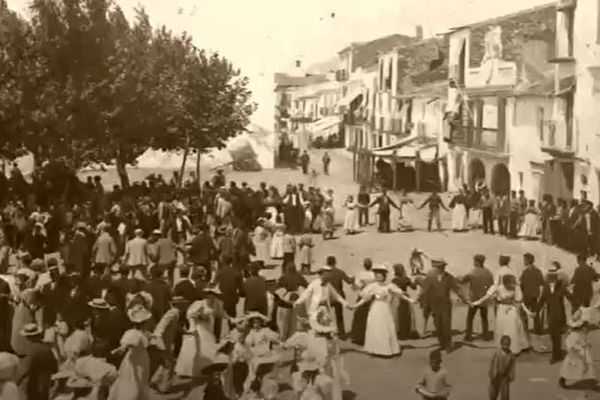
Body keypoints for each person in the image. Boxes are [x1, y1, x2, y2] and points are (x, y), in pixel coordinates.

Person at [352, 264, 415, 356]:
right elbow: (365, 298)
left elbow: (399, 294)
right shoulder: (371, 286)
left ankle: (386, 350)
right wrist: (355, 305)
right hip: (375, 309)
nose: (379, 276)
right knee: (375, 328)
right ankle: (375, 349)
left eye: (381, 274)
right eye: (377, 274)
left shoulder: (389, 286)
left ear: (384, 275)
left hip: (384, 309)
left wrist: (410, 300)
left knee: (385, 328)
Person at [471, 274, 531, 355]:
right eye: (508, 283)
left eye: (512, 283)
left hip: (512, 309)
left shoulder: (516, 288)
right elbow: (487, 297)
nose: (510, 285)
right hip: (502, 310)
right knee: (502, 328)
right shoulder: (498, 288)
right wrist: (476, 303)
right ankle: (503, 348)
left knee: (513, 327)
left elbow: (519, 301)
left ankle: (514, 349)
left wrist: (528, 312)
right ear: (504, 282)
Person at [420, 258, 468, 351]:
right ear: (436, 267)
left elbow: (457, 289)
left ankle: (448, 345)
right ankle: (442, 343)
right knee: (438, 325)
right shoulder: (430, 276)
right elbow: (425, 290)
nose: (441, 268)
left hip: (445, 304)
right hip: (434, 304)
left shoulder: (449, 277)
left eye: (443, 266)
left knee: (446, 324)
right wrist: (420, 300)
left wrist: (465, 299)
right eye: (439, 267)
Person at [175, 289, 222, 378]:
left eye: (213, 296)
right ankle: (189, 370)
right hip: (199, 327)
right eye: (208, 296)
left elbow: (220, 314)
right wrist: (199, 317)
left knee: (209, 346)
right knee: (195, 346)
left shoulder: (216, 304)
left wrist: (231, 319)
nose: (210, 298)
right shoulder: (199, 303)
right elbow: (189, 314)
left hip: (208, 328)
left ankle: (207, 368)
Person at [537, 263, 569, 364]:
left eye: (553, 275)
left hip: (559, 314)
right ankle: (558, 354)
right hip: (550, 314)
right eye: (550, 275)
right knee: (554, 335)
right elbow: (542, 300)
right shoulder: (546, 287)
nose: (551, 277)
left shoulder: (561, 286)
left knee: (556, 335)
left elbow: (568, 295)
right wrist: (535, 311)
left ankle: (555, 356)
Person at [17, 323, 57, 400]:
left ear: (29, 337)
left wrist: (17, 381)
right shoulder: (47, 349)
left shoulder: (30, 350)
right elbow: (54, 367)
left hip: (33, 386)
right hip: (45, 386)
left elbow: (25, 369)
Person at [559, 307, 596, 388]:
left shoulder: (582, 333)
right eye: (584, 327)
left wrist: (586, 344)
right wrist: (577, 348)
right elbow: (569, 344)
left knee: (588, 364)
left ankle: (591, 381)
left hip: (582, 351)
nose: (586, 329)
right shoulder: (574, 334)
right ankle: (563, 379)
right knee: (571, 367)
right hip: (575, 354)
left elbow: (584, 339)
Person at [461, 254, 494, 342]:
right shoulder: (488, 272)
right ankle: (486, 336)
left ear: (477, 261)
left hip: (474, 299)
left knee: (470, 318)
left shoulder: (472, 272)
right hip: (484, 299)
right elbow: (491, 285)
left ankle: (468, 336)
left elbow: (463, 281)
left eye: (474, 260)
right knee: (484, 318)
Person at [324, 256, 354, 338]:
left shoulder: (324, 273)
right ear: (335, 262)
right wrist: (353, 278)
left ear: (327, 262)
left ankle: (327, 333)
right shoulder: (340, 272)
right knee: (339, 316)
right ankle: (341, 334)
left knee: (326, 315)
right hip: (338, 297)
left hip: (328, 297)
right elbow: (349, 281)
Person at [520, 253, 544, 335]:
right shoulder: (538, 271)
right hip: (535, 295)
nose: (524, 261)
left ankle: (525, 329)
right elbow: (541, 284)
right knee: (536, 314)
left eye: (524, 260)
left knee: (523, 313)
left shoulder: (525, 272)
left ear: (528, 260)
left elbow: (521, 285)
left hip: (526, 295)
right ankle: (538, 330)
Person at [391, 263, 417, 340]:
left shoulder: (394, 280)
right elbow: (414, 287)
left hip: (397, 298)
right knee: (407, 315)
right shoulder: (406, 279)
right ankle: (407, 332)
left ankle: (400, 332)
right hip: (405, 296)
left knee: (398, 315)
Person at [488, 335, 516, 400]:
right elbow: (493, 363)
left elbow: (512, 366)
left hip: (505, 376)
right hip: (496, 376)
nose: (506, 346)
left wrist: (512, 375)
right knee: (493, 393)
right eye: (504, 344)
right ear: (501, 344)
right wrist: (492, 373)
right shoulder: (497, 353)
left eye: (507, 344)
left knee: (505, 394)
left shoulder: (511, 355)